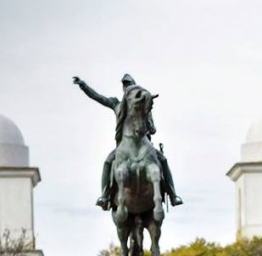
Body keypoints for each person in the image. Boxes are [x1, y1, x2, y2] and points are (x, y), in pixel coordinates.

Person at [73, 74, 183, 209]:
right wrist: (83, 85)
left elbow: (153, 129)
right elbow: (97, 97)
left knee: (163, 160)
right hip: (123, 147)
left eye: (129, 84)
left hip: (144, 145)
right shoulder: (116, 104)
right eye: (125, 85)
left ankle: (173, 195)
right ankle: (105, 196)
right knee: (107, 162)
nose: (126, 87)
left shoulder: (142, 106)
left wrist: (147, 121)